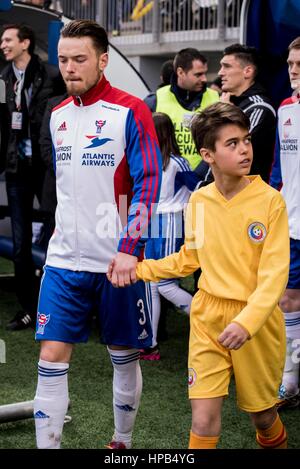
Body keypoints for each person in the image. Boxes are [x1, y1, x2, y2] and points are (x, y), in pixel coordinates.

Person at [109, 102, 290, 449]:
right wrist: (139, 269)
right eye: (232, 143)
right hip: (207, 316)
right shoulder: (200, 200)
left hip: (256, 322)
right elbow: (190, 258)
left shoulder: (271, 202)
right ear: (207, 154)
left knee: (263, 415)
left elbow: (274, 275)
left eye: (246, 140)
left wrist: (247, 322)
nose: (244, 150)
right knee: (203, 418)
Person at [33, 19, 161, 450]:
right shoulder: (56, 114)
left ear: (103, 60)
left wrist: (130, 249)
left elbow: (148, 180)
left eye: (79, 59)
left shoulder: (130, 110)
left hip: (116, 264)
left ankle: (121, 440)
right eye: (64, 60)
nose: (69, 68)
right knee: (50, 357)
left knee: (122, 357)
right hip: (64, 261)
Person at [0, 24, 64, 331]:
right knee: (21, 243)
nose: (3, 45)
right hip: (16, 169)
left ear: (25, 43)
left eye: (8, 39)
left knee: (58, 232)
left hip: (47, 167)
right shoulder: (3, 78)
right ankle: (28, 309)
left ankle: (59, 304)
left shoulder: (51, 75)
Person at [141, 112, 200, 360]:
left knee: (160, 284)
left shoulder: (156, 161)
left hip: (160, 224)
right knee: (156, 284)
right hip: (166, 223)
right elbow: (198, 187)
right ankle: (151, 344)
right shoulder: (177, 162)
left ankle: (205, 318)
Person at [270, 37, 300, 409]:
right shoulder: (285, 108)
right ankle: (290, 381)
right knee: (287, 299)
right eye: (291, 64)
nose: (293, 71)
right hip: (291, 225)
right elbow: (280, 169)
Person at [144, 48, 219, 170]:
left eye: (205, 73)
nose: (204, 79)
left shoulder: (216, 99)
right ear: (180, 72)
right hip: (166, 180)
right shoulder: (154, 100)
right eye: (198, 74)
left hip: (205, 181)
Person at [218, 43, 276, 182]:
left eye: (227, 66)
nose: (220, 72)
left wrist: (225, 115)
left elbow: (233, 151)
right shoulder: (231, 102)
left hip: (247, 195)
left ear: (247, 71)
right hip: (224, 192)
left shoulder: (259, 108)